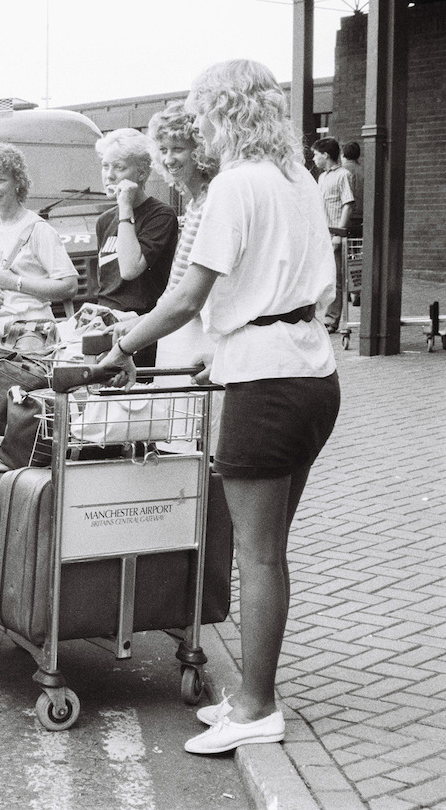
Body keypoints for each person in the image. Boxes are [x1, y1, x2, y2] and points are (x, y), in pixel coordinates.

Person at [95, 59, 340, 756]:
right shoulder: (297, 180)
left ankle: (258, 708)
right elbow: (303, 285)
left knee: (258, 557)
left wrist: (120, 351)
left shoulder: (236, 184)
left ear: (226, 113)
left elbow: (184, 298)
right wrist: (221, 349)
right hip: (312, 376)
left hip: (265, 390)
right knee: (271, 554)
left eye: (203, 115)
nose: (197, 130)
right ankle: (252, 693)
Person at [144, 102, 221, 449]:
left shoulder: (210, 201)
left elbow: (190, 287)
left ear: (199, 151)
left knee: (190, 442)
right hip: (178, 328)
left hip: (194, 331)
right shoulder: (194, 203)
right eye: (163, 150)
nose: (169, 158)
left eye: (178, 149)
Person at [0, 142, 78, 367]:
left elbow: (69, 286)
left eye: (0, 180)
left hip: (31, 335)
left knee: (24, 399)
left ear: (18, 182)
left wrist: (16, 283)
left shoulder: (39, 230)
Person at [93, 128, 179, 368]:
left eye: (119, 167)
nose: (109, 176)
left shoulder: (161, 215)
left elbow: (130, 269)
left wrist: (125, 209)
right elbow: (107, 284)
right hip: (104, 326)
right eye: (105, 166)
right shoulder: (104, 221)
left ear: (141, 172)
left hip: (139, 329)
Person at [311, 136, 355, 332]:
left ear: (326, 155)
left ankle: (331, 319)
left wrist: (339, 233)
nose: (314, 159)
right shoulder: (322, 177)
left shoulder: (343, 175)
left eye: (316, 155)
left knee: (336, 277)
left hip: (335, 234)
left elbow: (348, 204)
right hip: (322, 234)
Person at [342, 141, 364, 231]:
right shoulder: (364, 170)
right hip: (361, 215)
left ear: (343, 154)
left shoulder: (341, 171)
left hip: (346, 215)